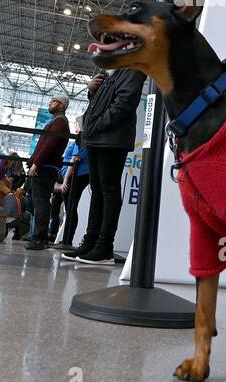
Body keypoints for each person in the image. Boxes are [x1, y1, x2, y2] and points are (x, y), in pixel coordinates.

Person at [63, 68, 144, 265]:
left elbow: (125, 103)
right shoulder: (112, 73)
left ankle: (104, 245)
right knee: (98, 190)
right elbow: (99, 103)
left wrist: (97, 125)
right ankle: (91, 241)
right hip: (97, 138)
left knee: (108, 189)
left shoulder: (132, 69)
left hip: (111, 138)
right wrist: (92, 91)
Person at [24, 94, 72, 250]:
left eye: (54, 101)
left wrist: (36, 163)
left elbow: (49, 144)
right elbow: (44, 145)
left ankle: (39, 238)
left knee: (41, 204)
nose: (50, 103)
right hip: (44, 167)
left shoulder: (60, 122)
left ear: (62, 105)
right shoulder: (57, 121)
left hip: (44, 168)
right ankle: (40, 238)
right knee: (40, 203)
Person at [51, 120, 89, 250]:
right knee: (71, 208)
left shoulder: (82, 137)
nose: (75, 126)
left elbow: (75, 159)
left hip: (76, 175)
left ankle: (67, 240)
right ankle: (67, 239)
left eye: (76, 124)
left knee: (71, 208)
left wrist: (66, 179)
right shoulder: (84, 137)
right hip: (78, 175)